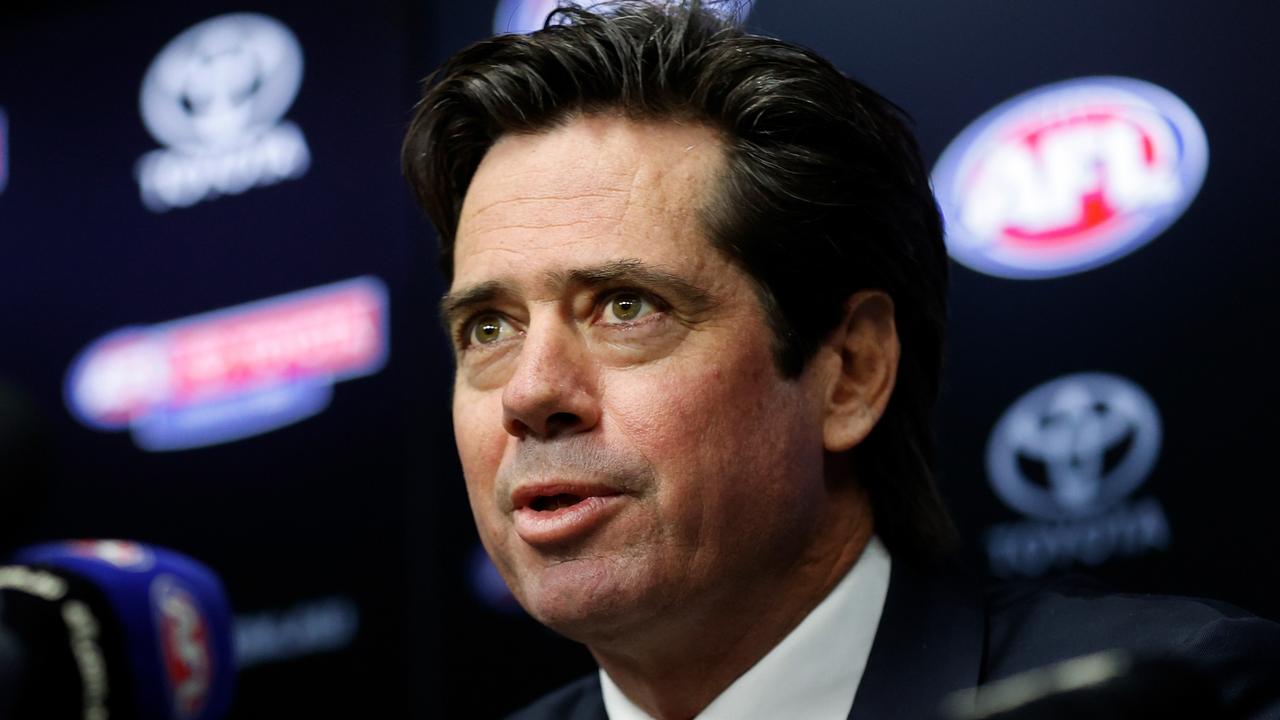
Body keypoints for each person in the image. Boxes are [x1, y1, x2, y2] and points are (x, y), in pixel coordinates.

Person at [401, 2, 1280, 718]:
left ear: (850, 371)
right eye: (488, 327)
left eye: (626, 307)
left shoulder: (1180, 698)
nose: (532, 391)